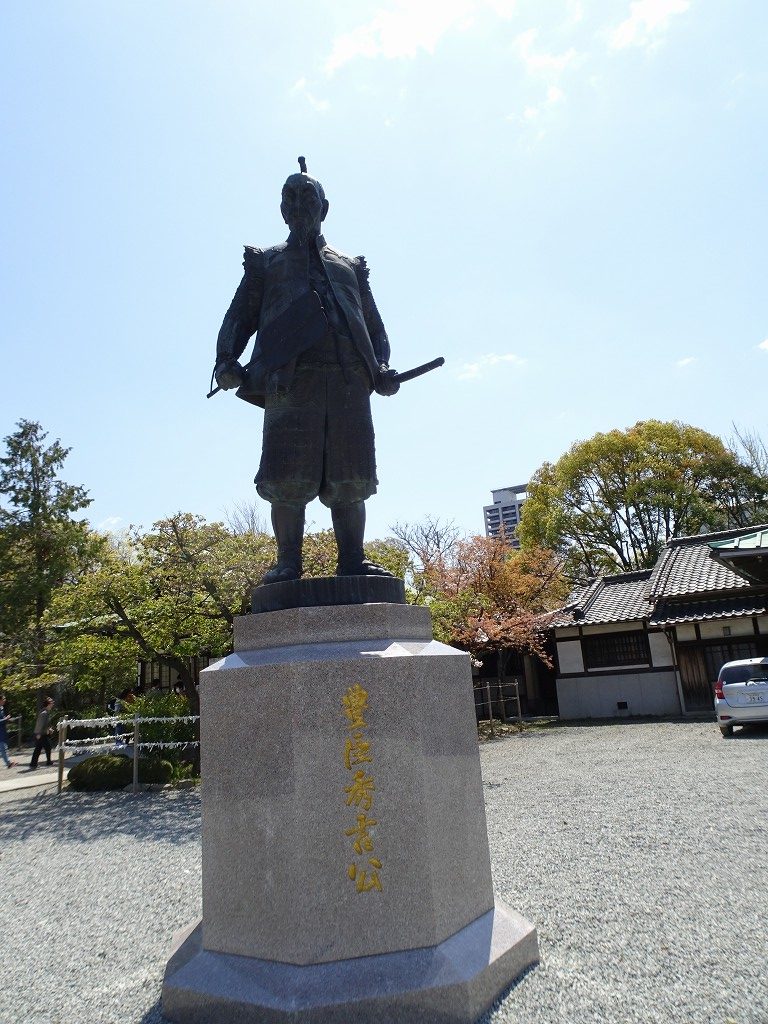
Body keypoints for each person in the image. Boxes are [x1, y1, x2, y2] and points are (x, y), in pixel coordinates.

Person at [213, 158, 400, 584]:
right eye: (290, 197)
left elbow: (372, 325)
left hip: (349, 382)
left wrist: (383, 368)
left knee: (351, 476)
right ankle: (288, 563)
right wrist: (227, 360)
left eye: (307, 196)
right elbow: (239, 316)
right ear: (281, 208)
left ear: (324, 206)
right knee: (287, 477)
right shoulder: (267, 262)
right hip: (290, 382)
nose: (298, 204)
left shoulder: (350, 265)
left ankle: (353, 560)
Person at [29, 696, 55, 770]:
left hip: (43, 734)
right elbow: (40, 724)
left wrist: (49, 729)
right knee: (48, 747)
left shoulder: (46, 712)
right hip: (41, 734)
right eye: (52, 702)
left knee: (38, 748)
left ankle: (33, 763)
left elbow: (45, 724)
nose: (53, 703)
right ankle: (48, 761)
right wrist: (38, 734)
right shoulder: (44, 713)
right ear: (48, 704)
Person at [0, 694, 16, 769]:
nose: (5, 700)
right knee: (3, 748)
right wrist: (6, 719)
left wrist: (9, 720)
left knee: (3, 748)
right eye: (3, 699)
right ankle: (8, 763)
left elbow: (2, 719)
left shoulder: (1, 708)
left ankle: (9, 763)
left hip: (2, 732)